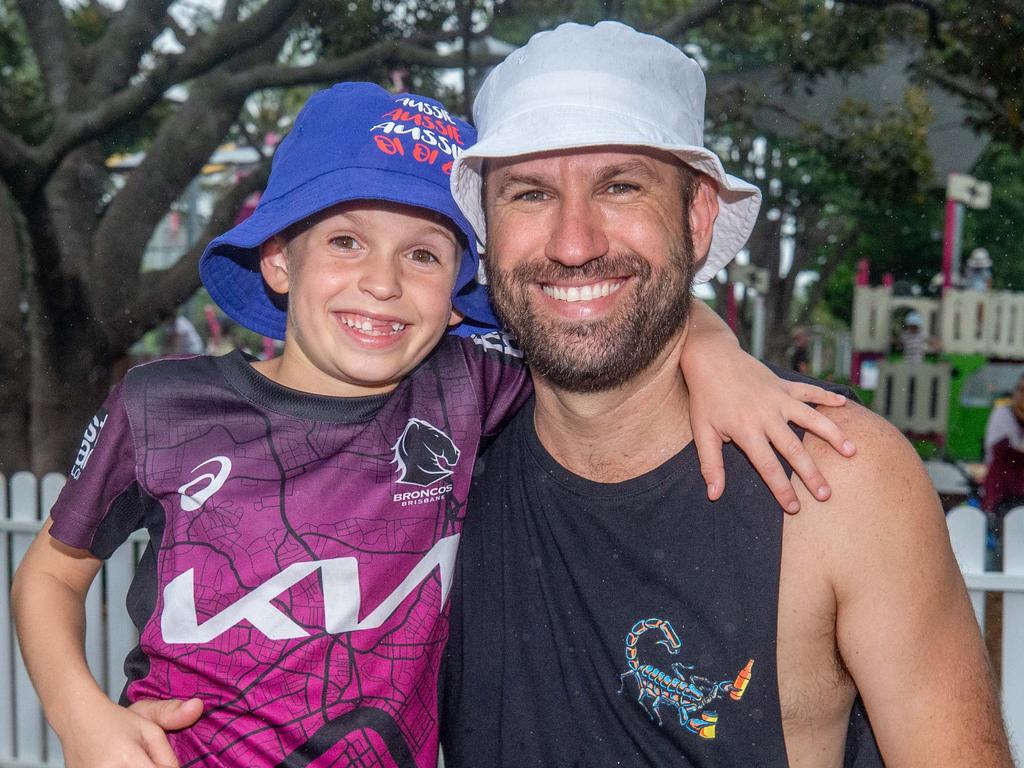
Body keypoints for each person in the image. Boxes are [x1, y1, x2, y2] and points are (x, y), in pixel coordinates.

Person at [11, 83, 849, 768]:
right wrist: (80, 715)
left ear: (456, 292)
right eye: (345, 241)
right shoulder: (161, 408)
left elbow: (608, 333)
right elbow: (48, 576)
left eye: (422, 254)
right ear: (277, 259)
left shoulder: (466, 385)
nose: (382, 283)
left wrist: (718, 351)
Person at [439, 22, 1012, 768]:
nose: (572, 242)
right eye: (529, 193)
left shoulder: (842, 480)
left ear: (699, 216)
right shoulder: (432, 469)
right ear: (487, 233)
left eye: (620, 186)